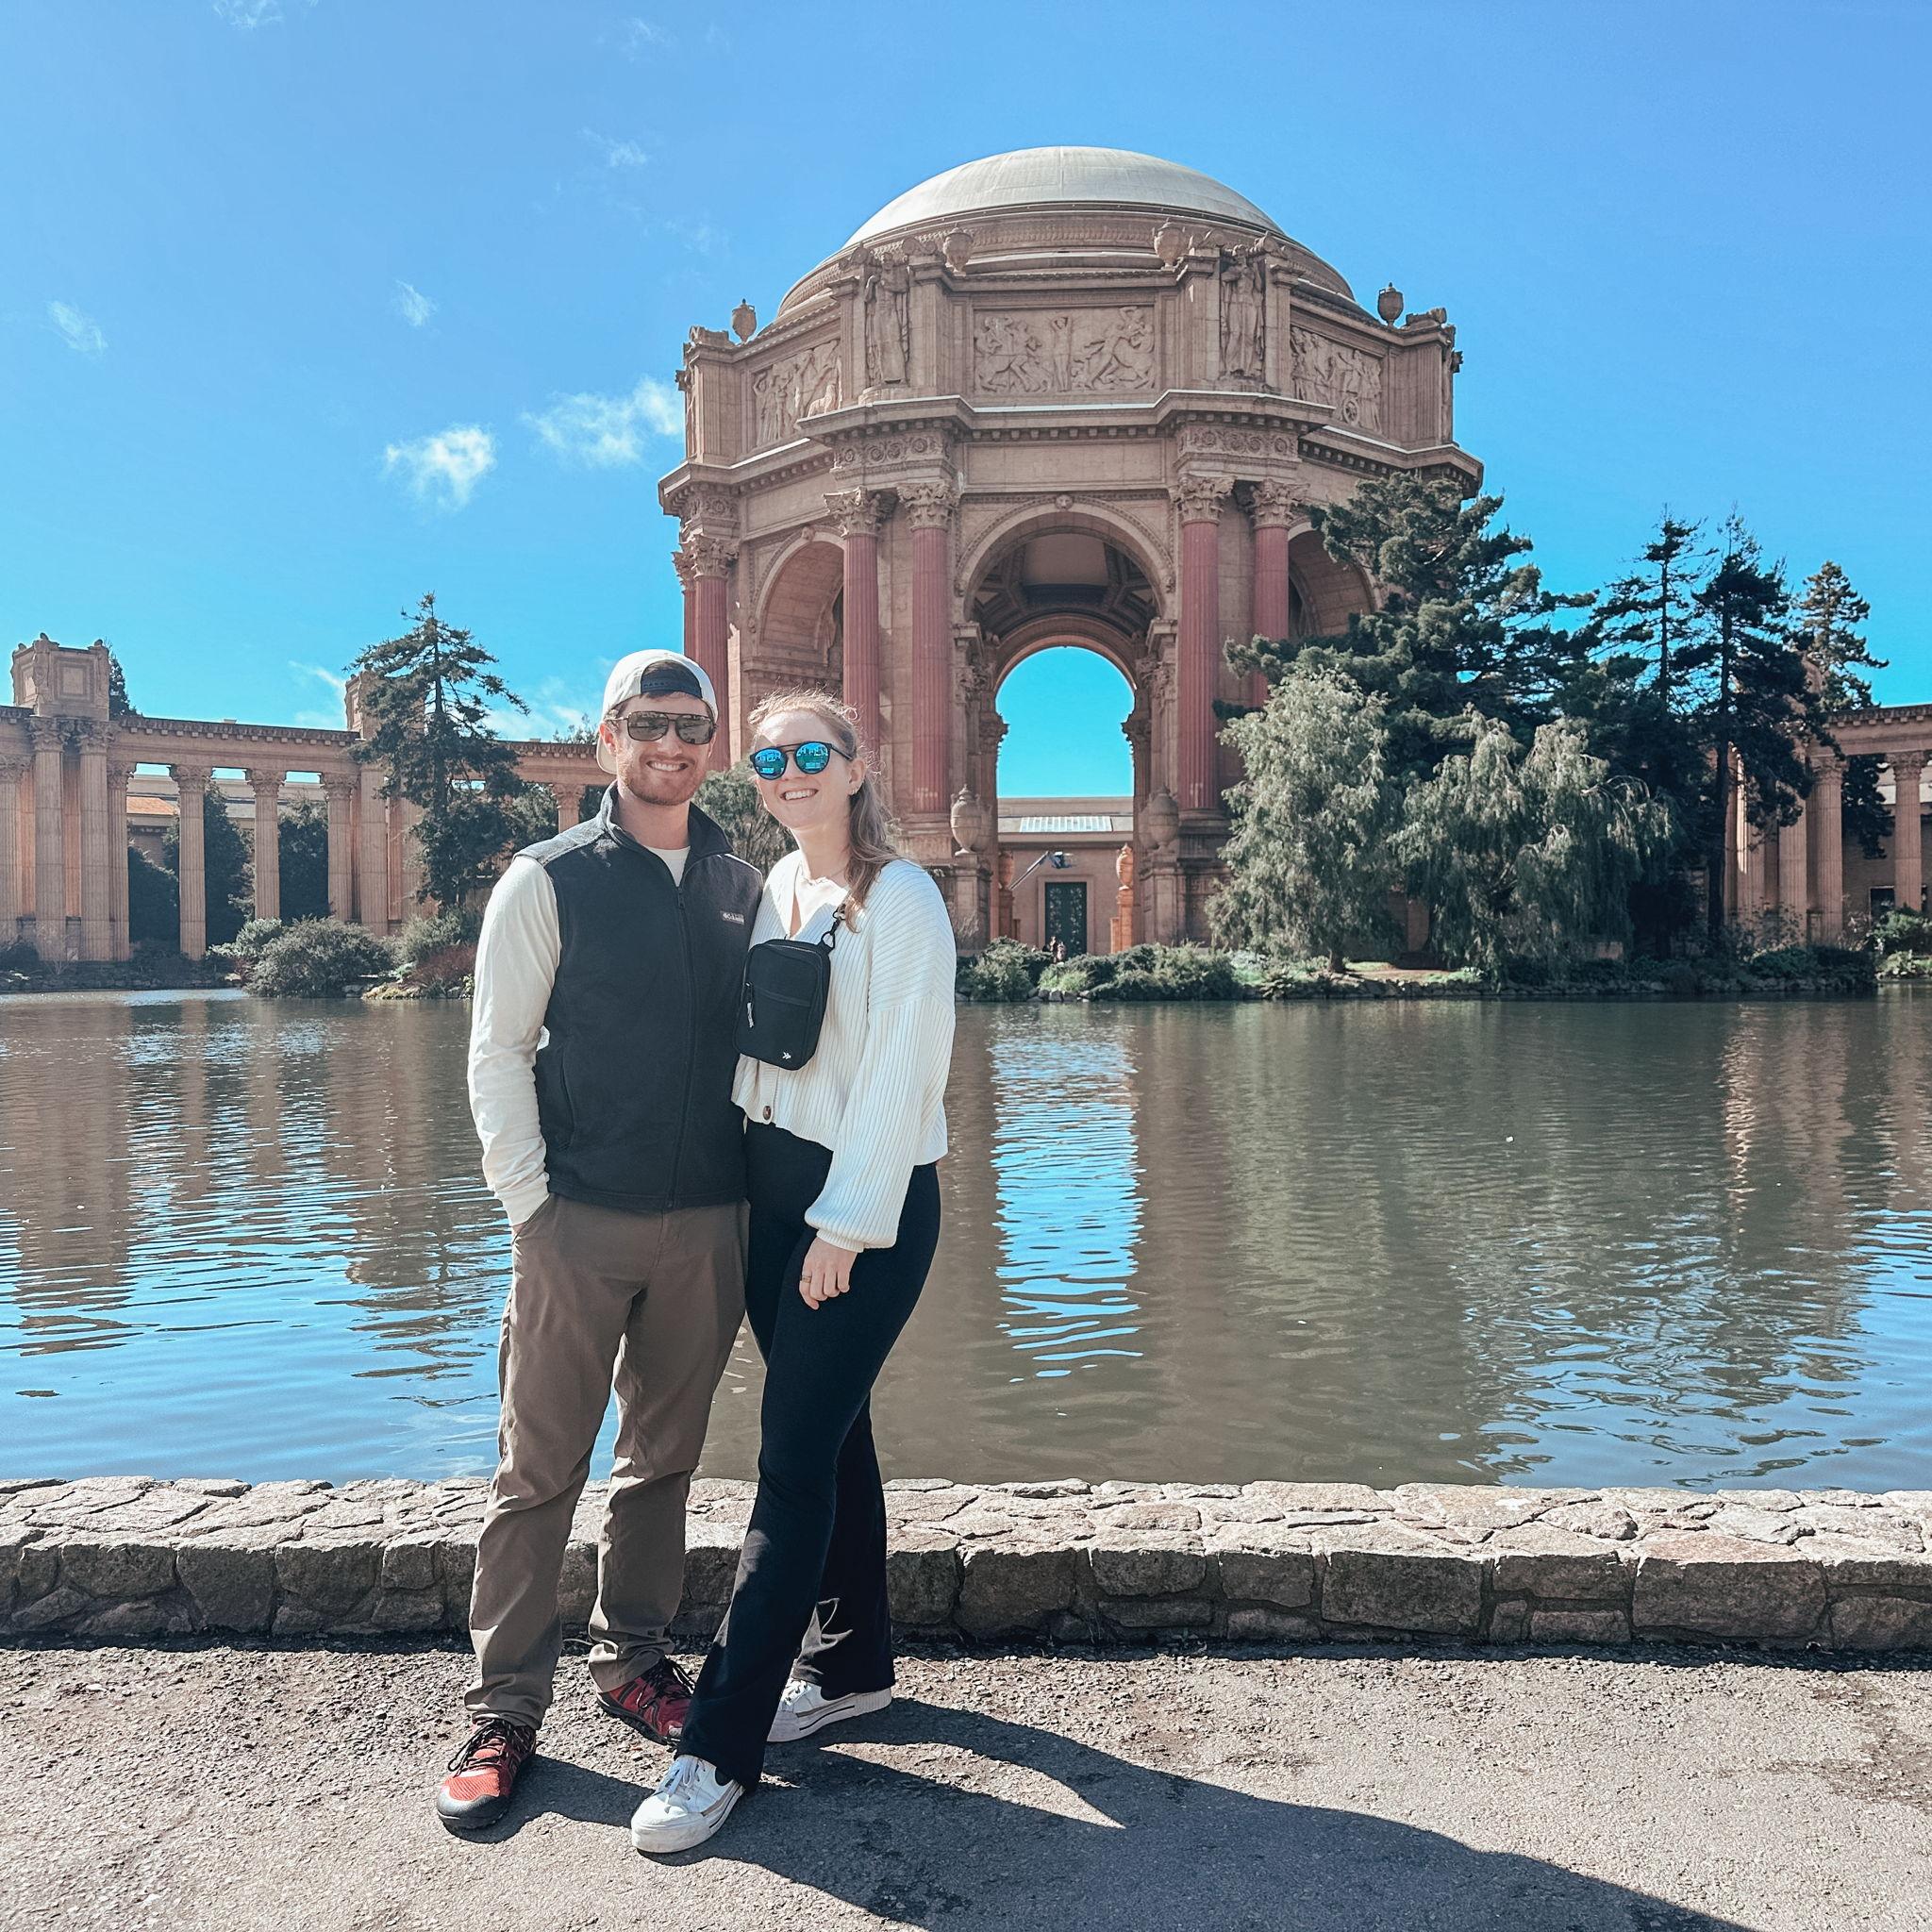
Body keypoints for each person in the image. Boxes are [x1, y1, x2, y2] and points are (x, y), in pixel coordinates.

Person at [435, 650, 761, 1833]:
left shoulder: (742, 879)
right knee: (537, 1471)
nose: (670, 744)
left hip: (710, 1218)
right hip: (576, 1216)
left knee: (663, 1459)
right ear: (605, 738)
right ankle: (502, 1708)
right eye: (646, 723)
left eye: (690, 725)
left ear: (708, 740)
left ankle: (633, 1660)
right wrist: (530, 1202)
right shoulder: (548, 876)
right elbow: (495, 1048)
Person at [629, 690, 957, 1856]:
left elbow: (901, 1081)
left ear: (857, 765)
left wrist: (845, 1225)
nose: (787, 771)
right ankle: (856, 1664)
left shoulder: (901, 897)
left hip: (851, 1210)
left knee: (786, 1464)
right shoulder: (779, 884)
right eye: (768, 757)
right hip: (772, 1199)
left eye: (811, 752)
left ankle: (720, 1741)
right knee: (836, 1432)